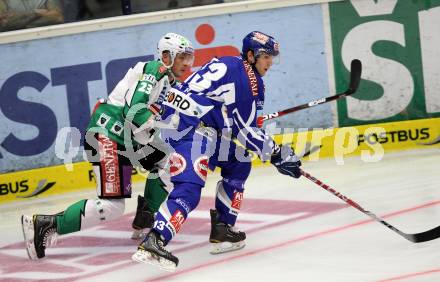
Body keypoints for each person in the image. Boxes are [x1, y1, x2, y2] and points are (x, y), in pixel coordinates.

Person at [131, 31, 302, 271]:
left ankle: (223, 228)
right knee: (189, 190)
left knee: (239, 162)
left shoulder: (231, 63)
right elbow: (246, 133)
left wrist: (234, 123)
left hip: (184, 123)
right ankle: (154, 240)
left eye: (272, 57)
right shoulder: (248, 80)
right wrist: (277, 153)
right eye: (265, 56)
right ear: (251, 55)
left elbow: (216, 107)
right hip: (189, 130)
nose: (270, 62)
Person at [20, 33, 195, 260]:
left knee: (170, 161)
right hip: (108, 136)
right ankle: (45, 224)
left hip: (126, 139)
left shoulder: (168, 81)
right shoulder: (154, 71)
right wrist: (155, 127)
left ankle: (147, 216)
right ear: (166, 56)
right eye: (181, 57)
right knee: (112, 206)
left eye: (188, 58)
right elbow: (134, 111)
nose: (186, 63)